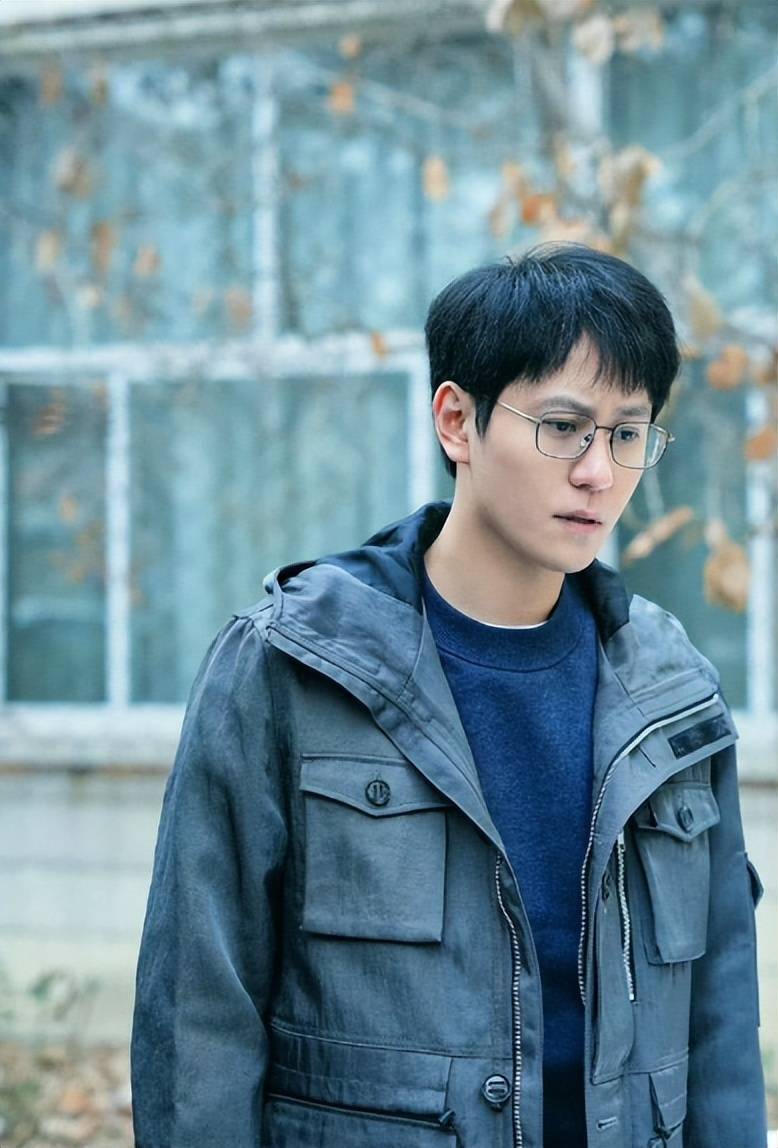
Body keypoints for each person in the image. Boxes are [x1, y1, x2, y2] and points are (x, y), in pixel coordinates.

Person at [131, 243, 767, 1148]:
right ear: (457, 421)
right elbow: (198, 1015)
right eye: (563, 426)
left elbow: (720, 1022)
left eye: (628, 434)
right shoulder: (293, 667)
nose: (599, 471)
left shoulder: (672, 694)